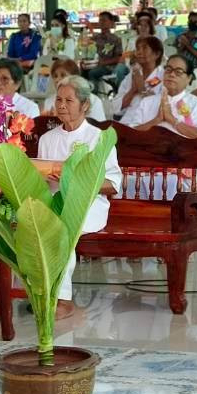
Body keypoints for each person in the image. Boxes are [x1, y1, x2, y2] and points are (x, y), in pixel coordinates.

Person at [37, 78, 121, 301]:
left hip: (88, 205)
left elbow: (113, 184)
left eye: (69, 100)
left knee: (62, 229)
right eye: (58, 99)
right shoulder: (47, 139)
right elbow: (43, 182)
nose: (61, 105)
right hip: (54, 203)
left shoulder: (98, 138)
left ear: (84, 105)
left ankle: (60, 299)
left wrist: (77, 180)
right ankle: (39, 294)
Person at [129, 54, 197, 140]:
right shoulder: (147, 102)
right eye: (168, 70)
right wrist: (156, 120)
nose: (171, 74)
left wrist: (171, 119)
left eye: (178, 72)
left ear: (189, 78)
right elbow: (131, 133)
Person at [113, 36, 165, 125]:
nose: (139, 52)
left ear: (157, 54)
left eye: (144, 48)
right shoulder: (131, 76)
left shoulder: (163, 76)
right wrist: (133, 90)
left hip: (150, 124)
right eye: (138, 49)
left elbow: (160, 107)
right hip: (127, 121)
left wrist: (141, 88)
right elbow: (115, 108)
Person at [41, 57, 104, 122]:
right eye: (55, 76)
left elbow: (99, 128)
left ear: (75, 77)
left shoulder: (94, 100)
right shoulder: (49, 101)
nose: (57, 80)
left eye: (63, 75)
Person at [87, 11, 124, 88]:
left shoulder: (116, 39)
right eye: (100, 20)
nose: (101, 22)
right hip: (93, 64)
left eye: (104, 20)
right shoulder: (95, 38)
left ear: (111, 23)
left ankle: (94, 96)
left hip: (108, 67)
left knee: (92, 73)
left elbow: (119, 58)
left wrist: (104, 62)